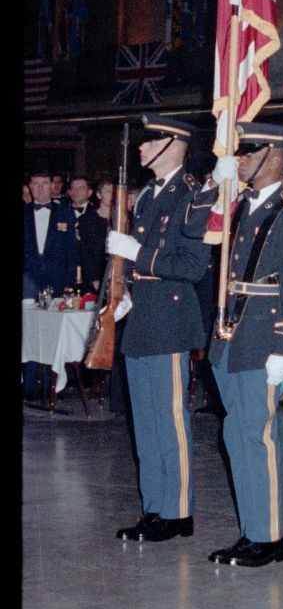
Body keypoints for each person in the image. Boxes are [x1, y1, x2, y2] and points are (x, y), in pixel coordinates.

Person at [201, 121, 283, 567]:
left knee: (257, 435)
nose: (241, 160)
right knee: (236, 432)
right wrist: (217, 183)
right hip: (230, 336)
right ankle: (250, 530)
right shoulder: (240, 206)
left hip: (262, 337)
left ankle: (267, 537)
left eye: (249, 153)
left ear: (275, 156)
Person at [108, 116, 212, 543]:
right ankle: (154, 507)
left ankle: (178, 511)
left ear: (173, 145)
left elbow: (192, 266)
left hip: (169, 320)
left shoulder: (190, 195)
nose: (140, 147)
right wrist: (126, 292)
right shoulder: (150, 194)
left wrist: (138, 253)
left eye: (149, 141)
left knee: (170, 420)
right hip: (142, 317)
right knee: (145, 421)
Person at [23, 168, 78, 299]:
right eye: (36, 184)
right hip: (28, 280)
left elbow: (72, 250)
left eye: (45, 183)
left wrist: (70, 282)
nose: (40, 188)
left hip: (58, 280)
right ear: (30, 187)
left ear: (52, 186)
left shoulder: (65, 212)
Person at [68, 173, 106, 290]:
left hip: (90, 274)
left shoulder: (98, 214)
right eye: (73, 188)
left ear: (90, 192)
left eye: (81, 188)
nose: (76, 191)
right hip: (69, 270)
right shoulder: (61, 213)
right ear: (69, 192)